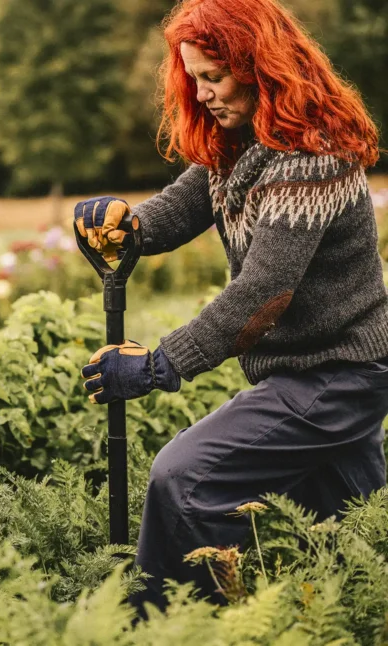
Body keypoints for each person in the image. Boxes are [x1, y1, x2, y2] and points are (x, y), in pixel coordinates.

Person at [73, 0, 388, 620]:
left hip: (340, 375)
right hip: (309, 371)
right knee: (358, 540)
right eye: (193, 77)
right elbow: (182, 207)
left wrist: (160, 365)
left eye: (214, 76)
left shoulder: (311, 157)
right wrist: (125, 227)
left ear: (259, 66)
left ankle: (173, 628)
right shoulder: (240, 143)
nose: (203, 92)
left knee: (183, 480)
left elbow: (261, 294)